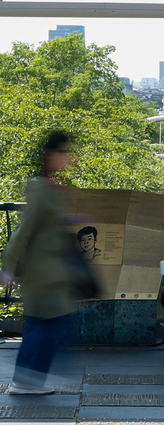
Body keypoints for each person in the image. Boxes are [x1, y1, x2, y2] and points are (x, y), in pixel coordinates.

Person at [1, 131, 83, 395]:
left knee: (45, 324)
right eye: (62, 152)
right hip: (43, 274)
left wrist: (67, 220)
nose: (66, 158)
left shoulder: (47, 186)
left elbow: (44, 224)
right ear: (50, 155)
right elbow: (23, 231)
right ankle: (25, 381)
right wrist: (8, 266)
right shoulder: (39, 187)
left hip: (50, 274)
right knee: (46, 325)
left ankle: (27, 379)